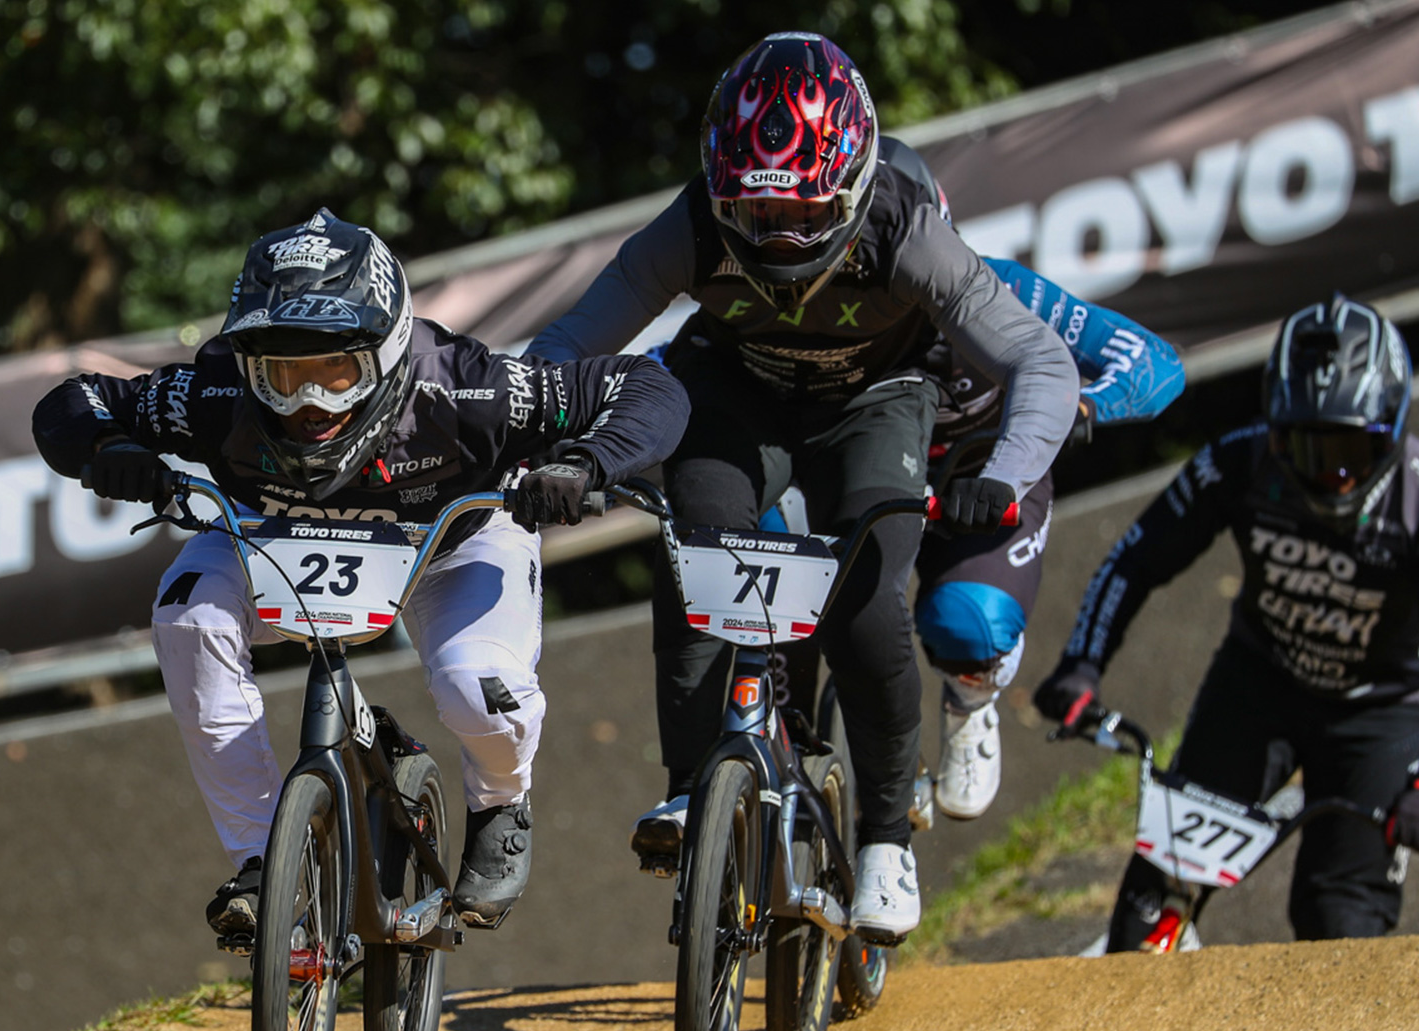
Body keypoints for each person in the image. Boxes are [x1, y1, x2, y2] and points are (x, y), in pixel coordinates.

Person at [526, 32, 1080, 942]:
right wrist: (535, 442)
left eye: (807, 215)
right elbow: (568, 346)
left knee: (865, 610)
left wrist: (1003, 474)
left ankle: (885, 842)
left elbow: (1039, 360)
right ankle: (689, 785)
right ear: (718, 183)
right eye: (755, 213)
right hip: (736, 389)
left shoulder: (904, 224)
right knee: (694, 552)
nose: (780, 238)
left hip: (878, 400)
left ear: (857, 185)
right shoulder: (693, 221)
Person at [32, 209, 688, 935]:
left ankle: (502, 803)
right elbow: (76, 401)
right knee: (187, 616)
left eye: (333, 369)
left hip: (450, 546)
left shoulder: (469, 389)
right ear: (248, 361)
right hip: (275, 536)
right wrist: (104, 450)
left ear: (388, 349)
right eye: (283, 373)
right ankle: (259, 860)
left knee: (481, 692)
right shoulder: (215, 393)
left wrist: (584, 463)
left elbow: (647, 389)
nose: (307, 403)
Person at [1035, 294, 1419, 951]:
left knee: (1342, 925)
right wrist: (1080, 665)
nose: (1332, 476)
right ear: (1272, 427)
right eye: (1304, 446)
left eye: (1350, 448)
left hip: (1383, 713)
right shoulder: (1238, 462)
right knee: (1149, 902)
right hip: (1258, 688)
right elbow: (1135, 561)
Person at [913, 254, 1186, 821]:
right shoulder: (809, 282)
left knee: (972, 622)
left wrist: (1083, 404)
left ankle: (970, 699)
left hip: (983, 475)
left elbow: (1156, 365)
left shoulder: (997, 284)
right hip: (852, 470)